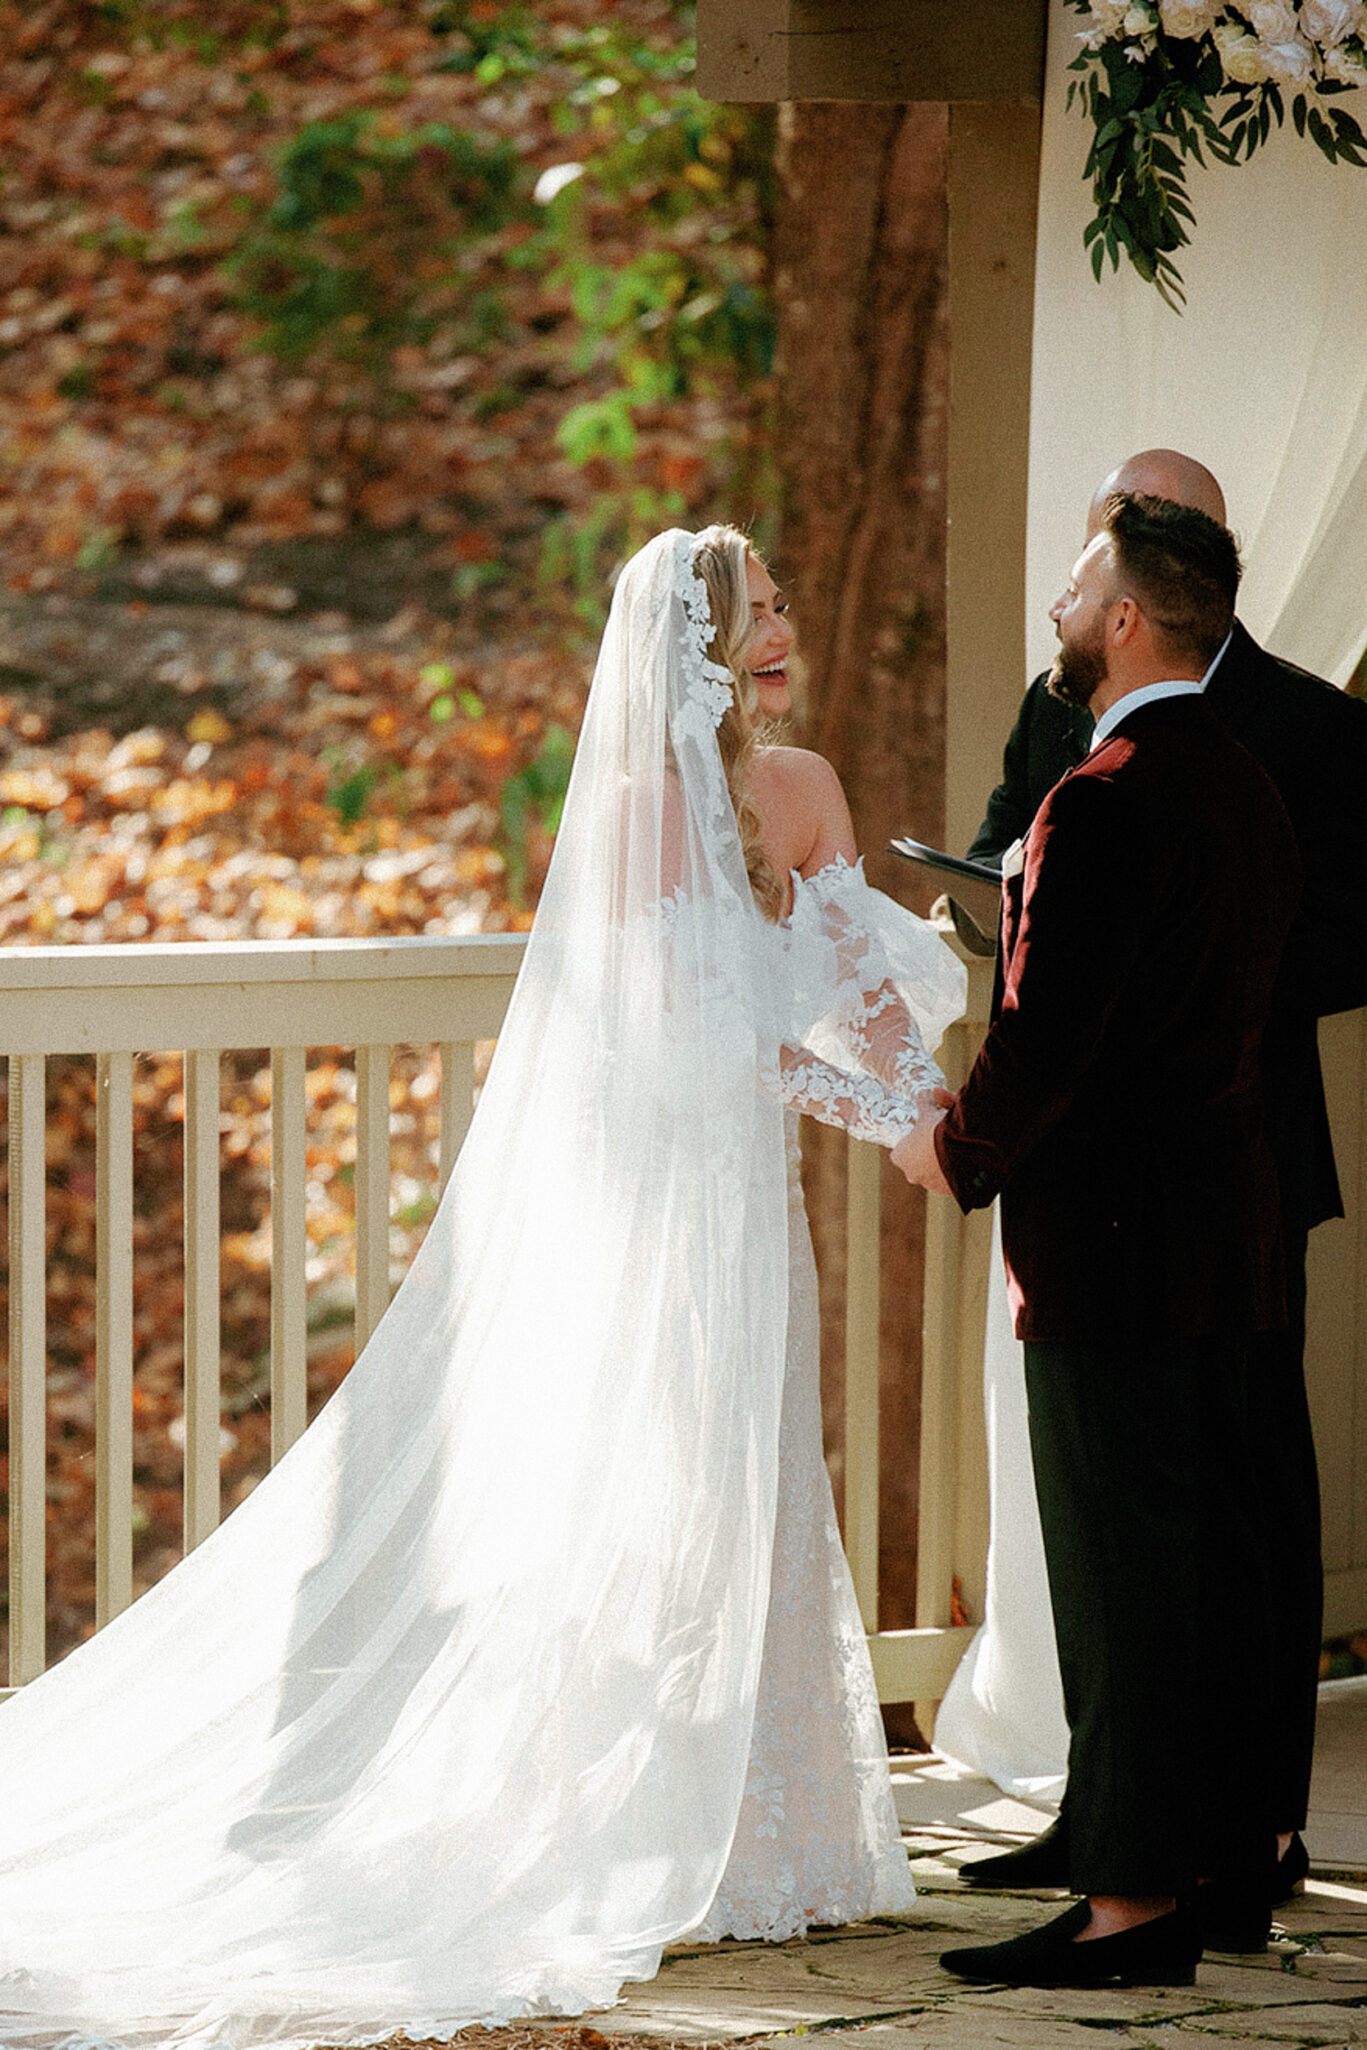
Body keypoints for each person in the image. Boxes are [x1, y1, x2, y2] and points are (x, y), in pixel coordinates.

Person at [0, 527, 964, 2050]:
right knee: (656, 1489)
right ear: (698, 644)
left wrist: (928, 1113)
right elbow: (674, 1041)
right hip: (662, 1200)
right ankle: (637, 1818)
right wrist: (862, 1107)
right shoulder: (645, 817)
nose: (783, 628)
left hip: (754, 1208)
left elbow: (853, 985)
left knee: (768, 1475)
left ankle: (778, 1841)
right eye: (756, 609)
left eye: (781, 603)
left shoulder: (809, 788)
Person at [949, 448, 1367, 1911]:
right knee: (1115, 1521)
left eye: (1090, 564)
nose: (1067, 586)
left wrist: (1210, 993)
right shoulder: (1072, 726)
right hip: (1109, 1168)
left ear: (1151, 587)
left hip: (1228, 1168)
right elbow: (1022, 872)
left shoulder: (1293, 734)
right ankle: (1117, 1820)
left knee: (1230, 1513)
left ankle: (1239, 1835)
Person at [896, 495, 1301, 1987]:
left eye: (1077, 586)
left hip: (1115, 1257)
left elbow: (1046, 1031)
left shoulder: (1102, 790)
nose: (1061, 609)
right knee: (1203, 1573)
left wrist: (951, 1148)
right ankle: (1215, 1867)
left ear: (1128, 617)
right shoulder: (1250, 787)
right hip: (1229, 1245)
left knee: (1122, 1580)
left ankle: (1130, 1912)